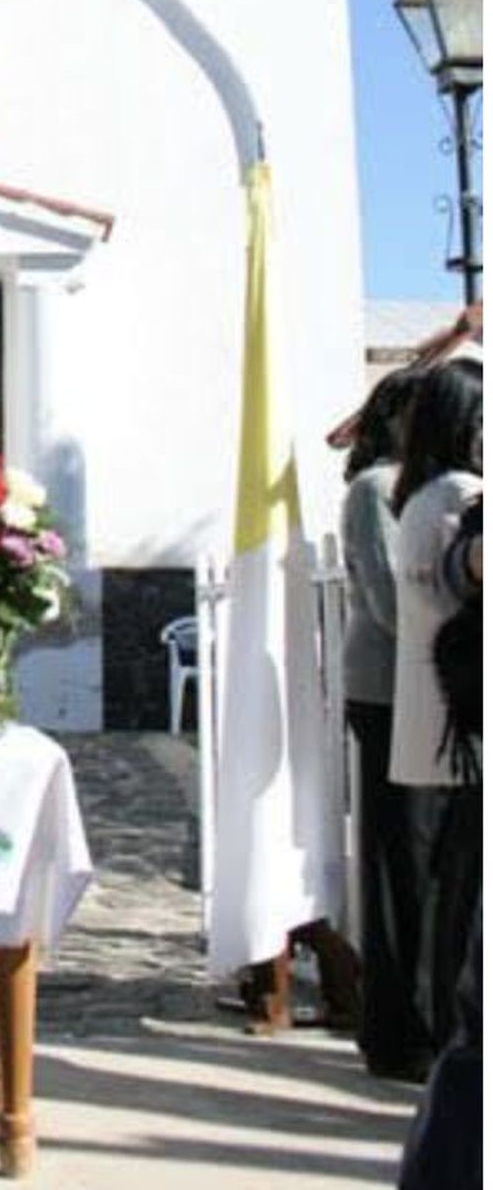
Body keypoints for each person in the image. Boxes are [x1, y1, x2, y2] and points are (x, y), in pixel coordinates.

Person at [339, 367, 437, 1079]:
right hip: (388, 691)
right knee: (395, 850)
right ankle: (394, 1022)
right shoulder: (376, 490)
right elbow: (386, 599)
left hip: (424, 689)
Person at [389, 355, 482, 1051]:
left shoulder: (418, 496)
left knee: (444, 882)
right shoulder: (456, 496)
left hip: (430, 700)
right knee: (457, 886)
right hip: (457, 708)